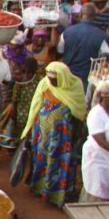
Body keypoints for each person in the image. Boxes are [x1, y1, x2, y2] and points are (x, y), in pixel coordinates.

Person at [22, 62, 87, 208]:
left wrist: (76, 134)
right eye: (50, 78)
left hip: (63, 139)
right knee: (42, 161)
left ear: (63, 77)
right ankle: (40, 189)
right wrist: (29, 128)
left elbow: (79, 113)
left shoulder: (75, 87)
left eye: (54, 79)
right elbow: (35, 105)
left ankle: (57, 196)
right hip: (43, 135)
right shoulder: (44, 83)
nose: (51, 82)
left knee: (59, 163)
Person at [59, 3, 109, 89]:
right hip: (90, 81)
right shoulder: (102, 36)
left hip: (69, 79)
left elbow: (59, 52)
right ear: (95, 17)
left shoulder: (66, 32)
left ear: (80, 15)